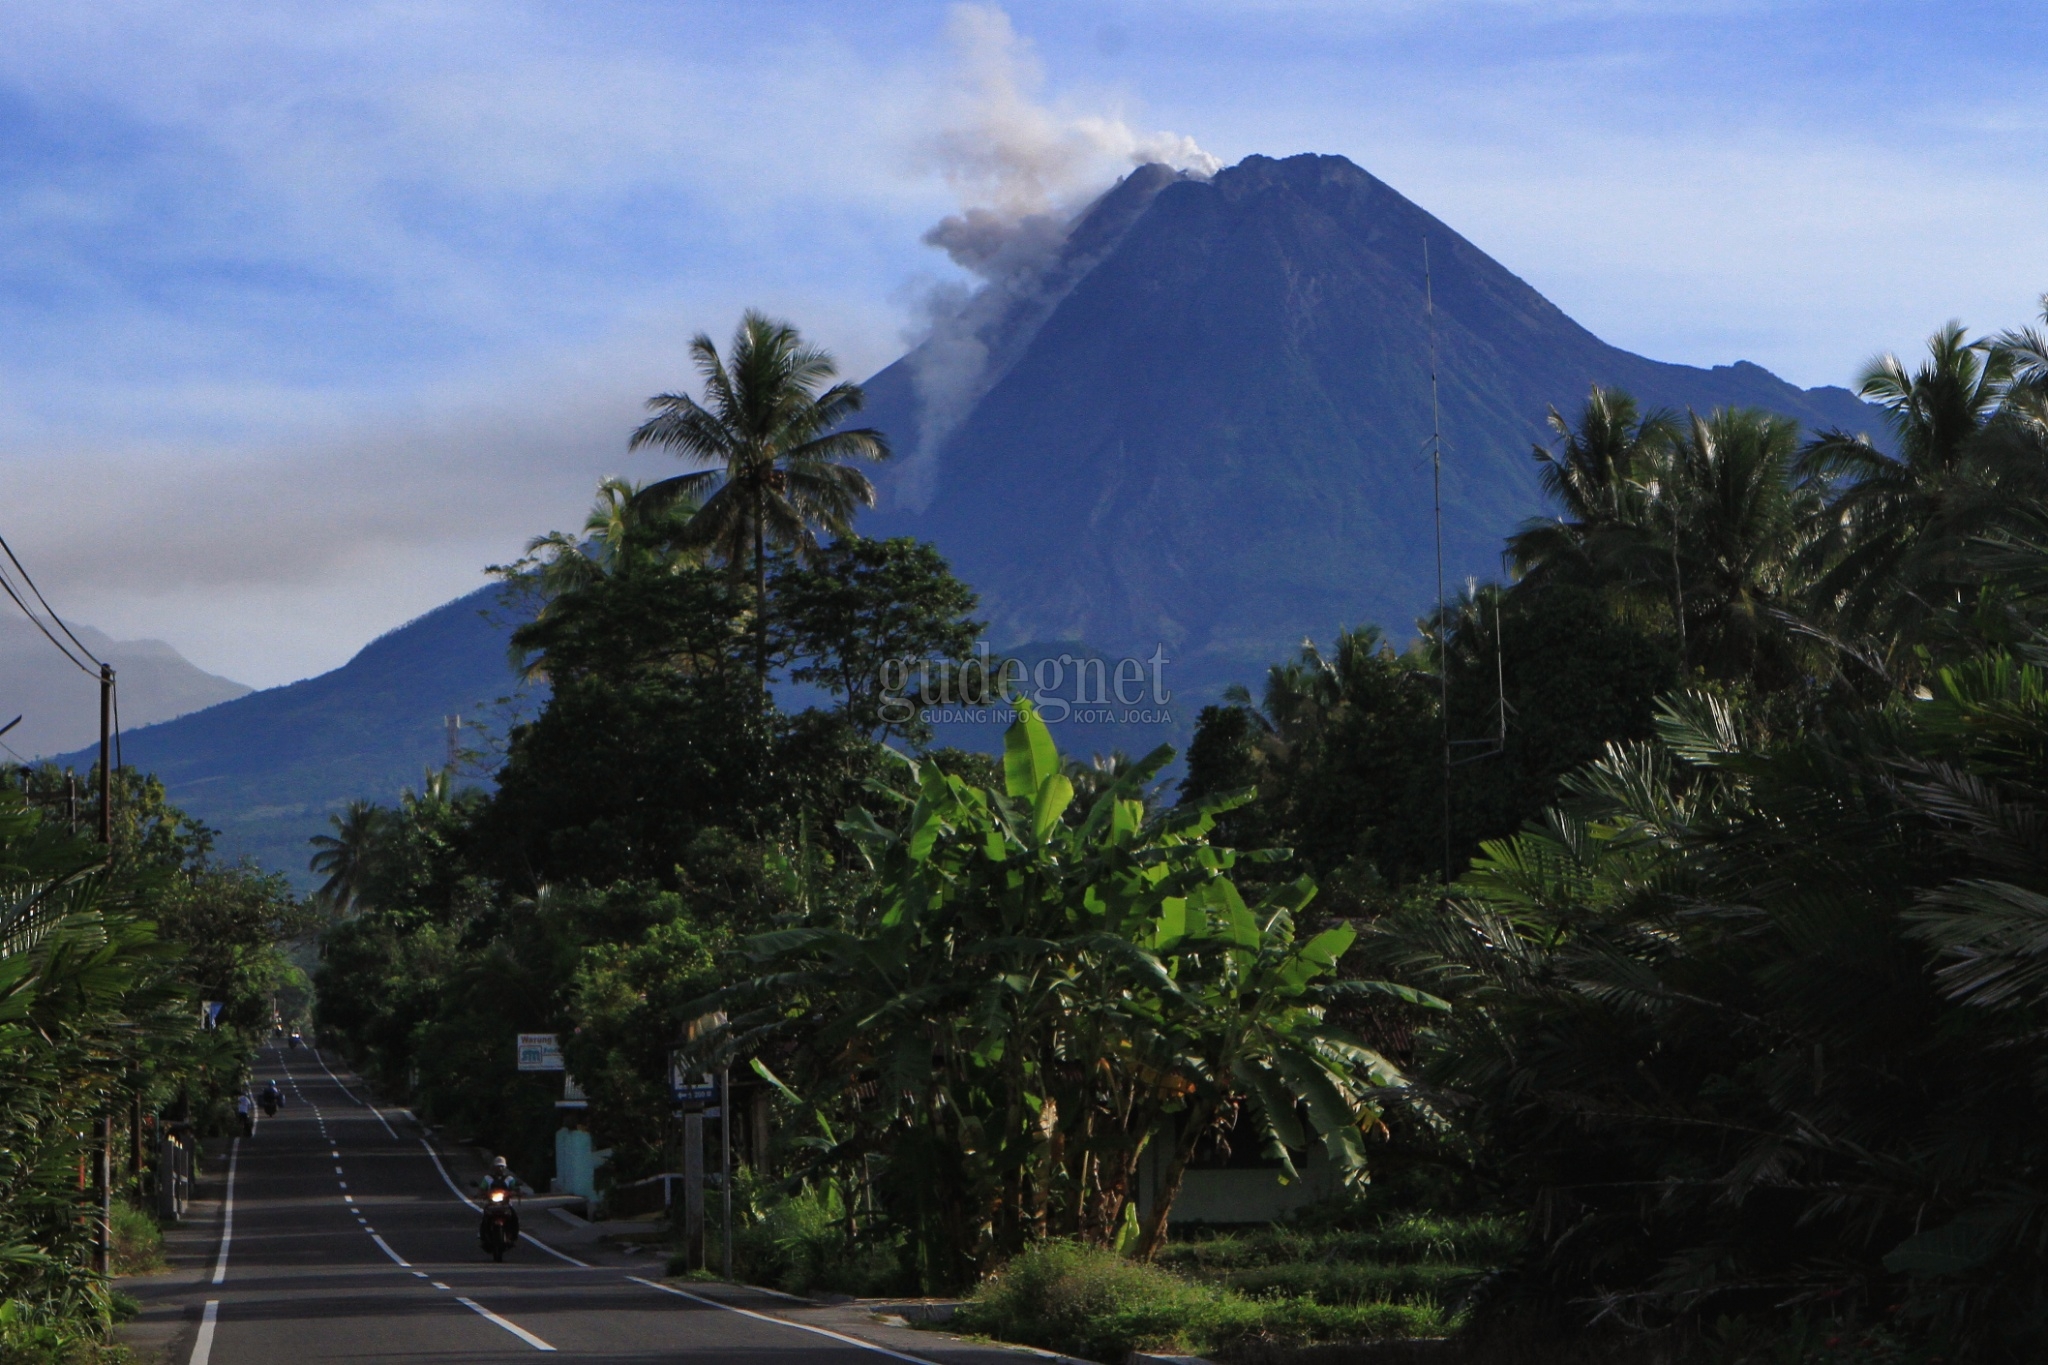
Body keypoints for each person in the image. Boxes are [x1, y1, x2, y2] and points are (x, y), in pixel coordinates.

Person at [477, 1156, 525, 1242]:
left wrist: (516, 1192)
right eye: (498, 1166)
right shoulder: (487, 1179)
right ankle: (482, 1235)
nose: (500, 1168)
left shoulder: (509, 1179)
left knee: (514, 1217)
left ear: (505, 1167)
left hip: (506, 1204)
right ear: (494, 1167)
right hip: (491, 1204)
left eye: (502, 1166)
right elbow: (481, 1188)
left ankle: (513, 1235)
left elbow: (515, 1188)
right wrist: (481, 1193)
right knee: (485, 1218)